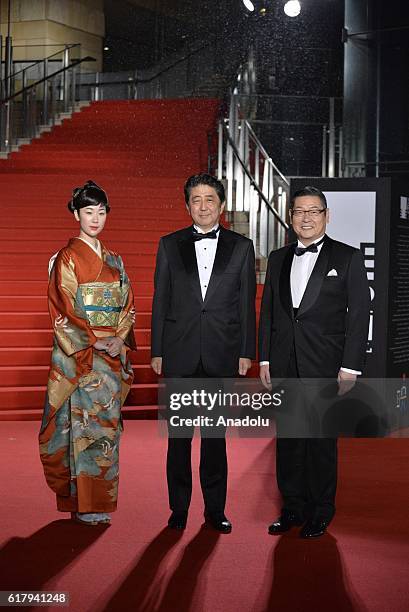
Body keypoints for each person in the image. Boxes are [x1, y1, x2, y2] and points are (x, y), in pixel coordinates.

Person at [259, 185, 370, 538]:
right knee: (289, 440)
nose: (305, 217)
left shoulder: (348, 257)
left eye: (313, 211)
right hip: (284, 364)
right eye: (299, 211)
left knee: (321, 443)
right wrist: (264, 359)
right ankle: (292, 508)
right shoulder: (277, 258)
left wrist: (350, 366)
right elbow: (269, 315)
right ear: (290, 217)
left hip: (327, 365)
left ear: (326, 216)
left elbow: (359, 316)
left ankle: (321, 512)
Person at [151, 173, 256, 533]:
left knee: (214, 442)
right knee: (178, 442)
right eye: (196, 199)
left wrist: (246, 351)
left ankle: (215, 511)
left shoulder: (242, 246)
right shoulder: (168, 245)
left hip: (220, 354)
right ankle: (178, 509)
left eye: (210, 199)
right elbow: (160, 299)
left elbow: (246, 305)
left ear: (221, 205)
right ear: (187, 206)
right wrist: (157, 350)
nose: (204, 206)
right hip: (179, 355)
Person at [39, 180, 136, 526]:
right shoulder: (66, 258)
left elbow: (127, 306)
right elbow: (62, 307)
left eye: (100, 212)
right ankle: (85, 503)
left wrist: (119, 338)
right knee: (82, 430)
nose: (95, 218)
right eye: (88, 212)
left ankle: (100, 501)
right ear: (76, 214)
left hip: (109, 357)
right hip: (82, 357)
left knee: (106, 430)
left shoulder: (114, 260)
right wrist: (94, 339)